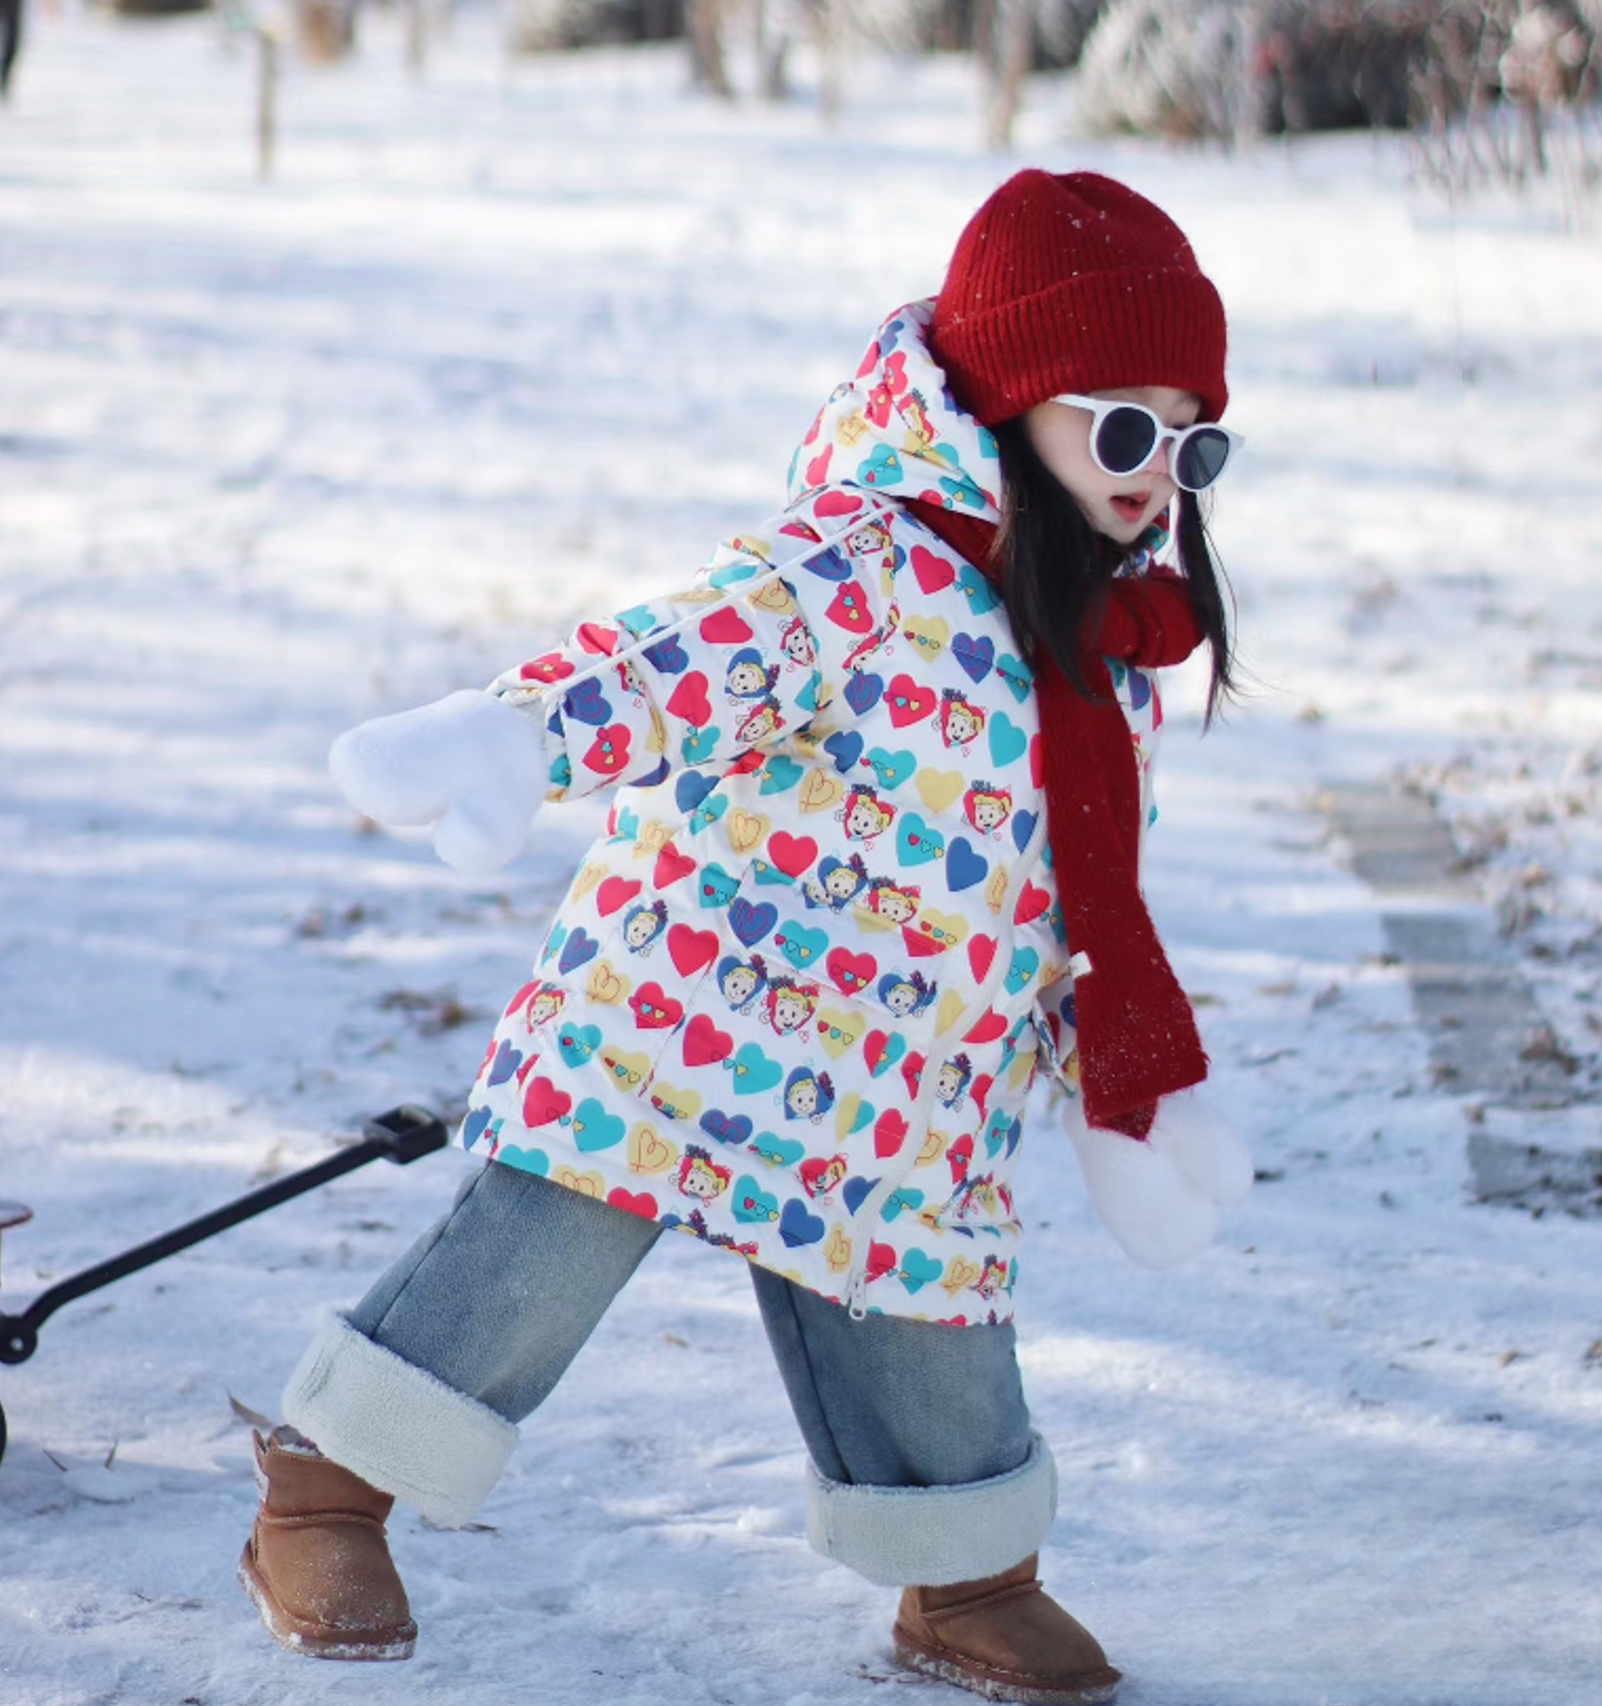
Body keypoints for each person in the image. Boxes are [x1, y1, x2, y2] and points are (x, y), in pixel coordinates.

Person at [239, 169, 1255, 1705]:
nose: (1153, 473)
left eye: (1191, 440)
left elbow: (1067, 893)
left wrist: (1116, 1073)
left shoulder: (1101, 658)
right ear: (1012, 398)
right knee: (530, 1263)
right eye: (1121, 425)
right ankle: (327, 1488)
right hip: (690, 1015)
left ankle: (967, 1572)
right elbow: (678, 653)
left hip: (908, 1078)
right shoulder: (860, 564)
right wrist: (519, 734)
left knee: (925, 1314)